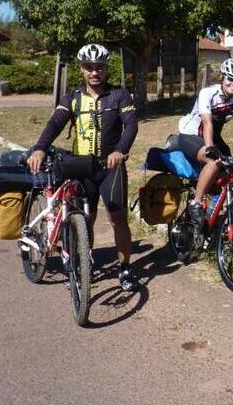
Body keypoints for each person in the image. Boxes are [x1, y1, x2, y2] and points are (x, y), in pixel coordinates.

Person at [27, 44, 140, 291]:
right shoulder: (73, 97)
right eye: (89, 67)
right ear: (81, 70)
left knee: (117, 218)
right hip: (81, 167)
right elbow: (55, 123)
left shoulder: (120, 95)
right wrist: (40, 148)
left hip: (111, 166)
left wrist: (120, 150)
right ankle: (83, 264)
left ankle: (125, 268)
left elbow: (131, 124)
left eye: (99, 67)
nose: (94, 72)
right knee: (85, 217)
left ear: (106, 69)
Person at [169, 58, 233, 248]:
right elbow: (207, 123)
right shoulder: (208, 93)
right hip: (190, 135)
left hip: (214, 137)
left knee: (232, 170)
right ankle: (196, 203)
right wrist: (209, 148)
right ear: (223, 77)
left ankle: (229, 212)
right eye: (230, 79)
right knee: (213, 162)